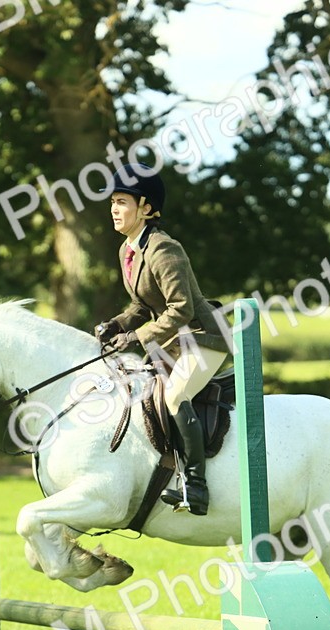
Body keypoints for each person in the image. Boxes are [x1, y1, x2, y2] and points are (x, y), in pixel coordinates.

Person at [94, 163, 228, 516]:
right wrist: (116, 325)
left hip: (204, 337)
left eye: (122, 202)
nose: (114, 209)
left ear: (146, 208)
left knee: (175, 394)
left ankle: (196, 486)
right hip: (173, 341)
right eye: (113, 202)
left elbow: (181, 308)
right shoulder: (128, 250)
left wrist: (135, 336)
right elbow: (142, 305)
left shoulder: (164, 248)